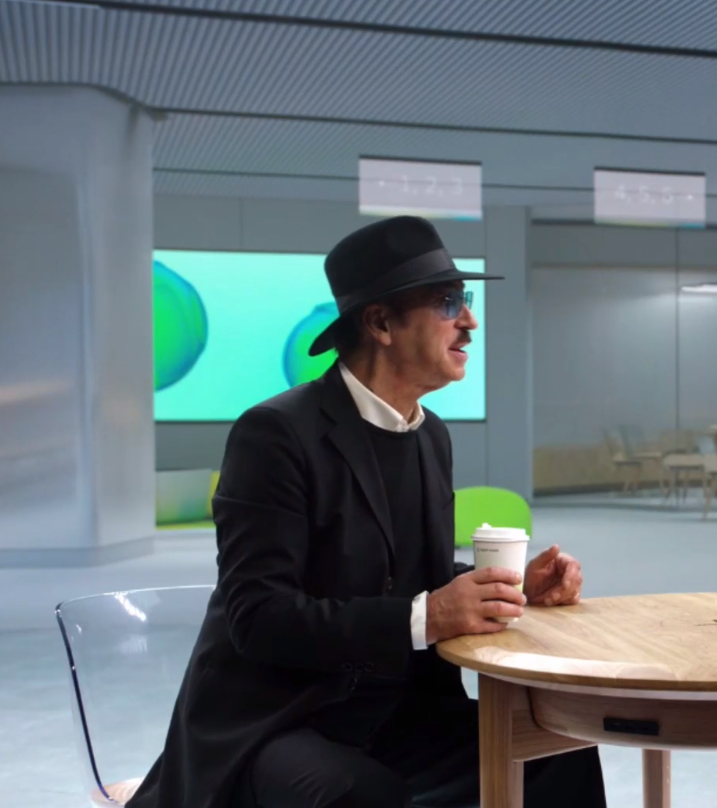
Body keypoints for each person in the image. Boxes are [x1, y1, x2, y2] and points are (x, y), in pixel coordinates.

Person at [128, 216, 607, 808]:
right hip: (281, 720)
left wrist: (507, 588)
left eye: (467, 299)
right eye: (448, 302)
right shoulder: (275, 434)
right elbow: (260, 617)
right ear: (379, 323)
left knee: (559, 746)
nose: (470, 321)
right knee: (360, 793)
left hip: (397, 711)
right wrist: (428, 617)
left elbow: (406, 572)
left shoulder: (431, 436)